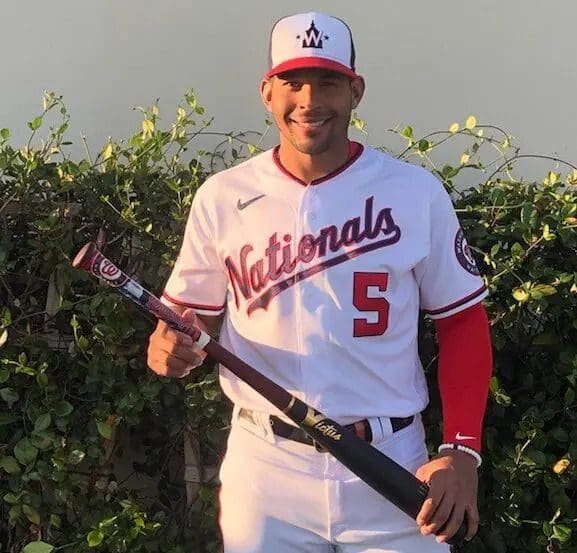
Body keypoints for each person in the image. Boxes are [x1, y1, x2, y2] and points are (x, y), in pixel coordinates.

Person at [147, 11, 492, 553]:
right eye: (293, 81)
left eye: (328, 82)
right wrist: (170, 345)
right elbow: (191, 318)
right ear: (267, 91)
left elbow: (462, 321)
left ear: (355, 91)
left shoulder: (414, 192)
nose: (309, 100)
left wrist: (463, 451)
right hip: (268, 465)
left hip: (393, 460)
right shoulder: (223, 195)